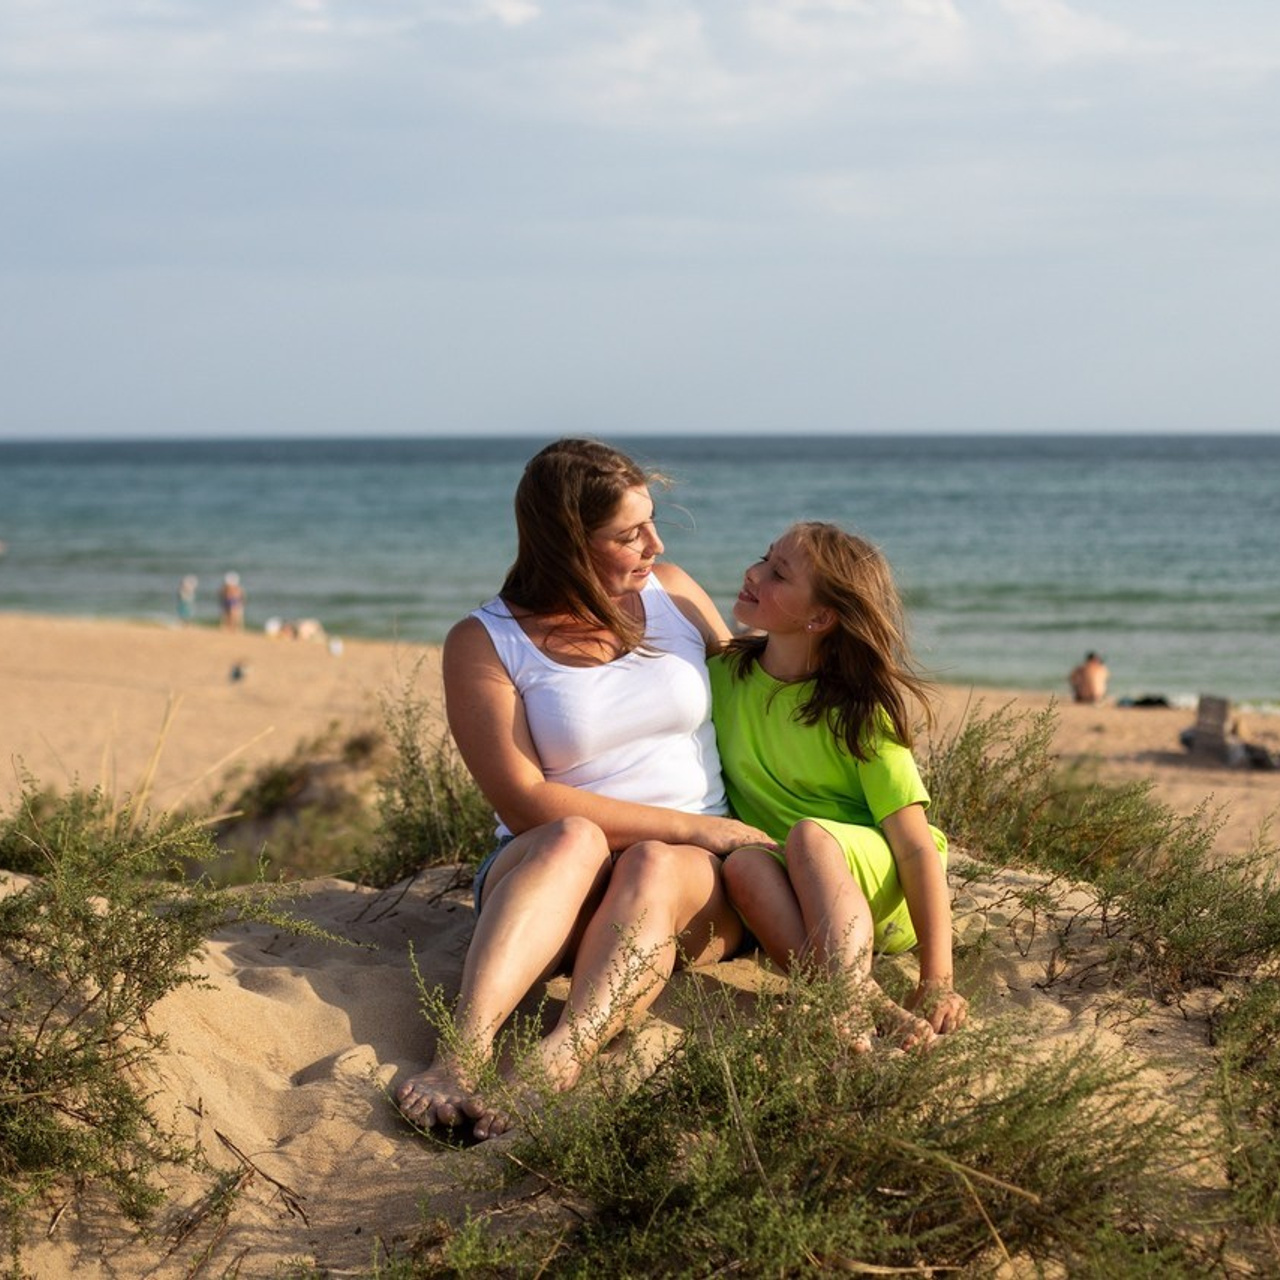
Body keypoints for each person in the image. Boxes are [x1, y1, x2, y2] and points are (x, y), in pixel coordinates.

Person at [395, 438, 770, 1140]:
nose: (654, 543)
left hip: (687, 885)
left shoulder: (676, 595)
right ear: (568, 542)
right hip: (548, 885)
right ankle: (461, 1055)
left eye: (651, 522)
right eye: (629, 534)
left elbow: (761, 697)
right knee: (572, 835)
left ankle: (558, 1058)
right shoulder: (485, 641)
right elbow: (524, 803)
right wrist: (700, 827)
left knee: (653, 861)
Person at [709, 523, 967, 1051]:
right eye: (763, 557)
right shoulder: (721, 677)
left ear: (820, 617)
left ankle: (845, 997)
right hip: (796, 902)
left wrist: (937, 979)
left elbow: (917, 848)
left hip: (878, 890)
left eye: (778, 573)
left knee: (808, 835)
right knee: (742, 862)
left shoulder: (859, 709)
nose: (753, 573)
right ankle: (863, 1000)